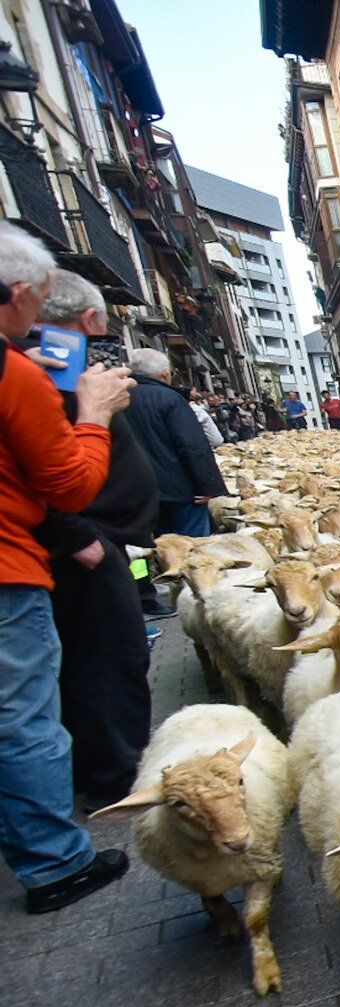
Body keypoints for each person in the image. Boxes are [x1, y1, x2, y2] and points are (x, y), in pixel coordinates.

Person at [0, 220, 135, 913]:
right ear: (20, 293)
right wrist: (94, 412)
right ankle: (54, 860)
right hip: (13, 566)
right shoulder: (15, 371)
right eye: (36, 299)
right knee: (25, 716)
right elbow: (67, 481)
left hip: (31, 556)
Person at [29, 271, 158, 810]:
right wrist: (75, 532)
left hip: (106, 539)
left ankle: (103, 765)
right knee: (106, 660)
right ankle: (115, 776)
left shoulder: (48, 369)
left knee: (105, 656)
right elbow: (36, 461)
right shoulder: (50, 372)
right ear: (93, 320)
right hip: (87, 543)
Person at [124, 349, 225, 540]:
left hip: (136, 493)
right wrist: (207, 487)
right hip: (179, 492)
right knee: (194, 547)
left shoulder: (117, 397)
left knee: (153, 547)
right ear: (165, 374)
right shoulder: (170, 399)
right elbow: (192, 445)